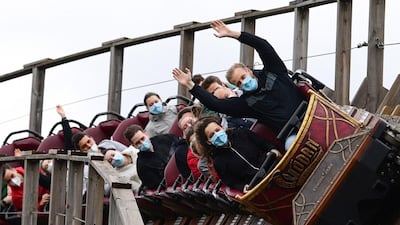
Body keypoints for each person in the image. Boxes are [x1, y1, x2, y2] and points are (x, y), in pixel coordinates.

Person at [172, 20, 303, 133]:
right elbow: (215, 104)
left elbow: (263, 46)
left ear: (249, 71)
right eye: (239, 83)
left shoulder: (273, 71)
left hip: (310, 113)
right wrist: (190, 84)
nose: (243, 82)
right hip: (293, 132)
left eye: (243, 77)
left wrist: (233, 34)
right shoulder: (247, 103)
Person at [194, 116, 280, 191]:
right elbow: (231, 181)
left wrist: (273, 149)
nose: (217, 134)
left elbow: (263, 143)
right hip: (257, 184)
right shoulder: (218, 162)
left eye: (217, 130)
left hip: (273, 165)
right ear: (208, 142)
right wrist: (242, 187)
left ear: (222, 128)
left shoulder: (241, 133)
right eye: (212, 135)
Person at [123, 124, 179, 190]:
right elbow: (157, 186)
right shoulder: (141, 166)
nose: (142, 143)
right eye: (138, 143)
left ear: (146, 134)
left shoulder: (166, 139)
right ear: (134, 146)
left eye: (142, 138)